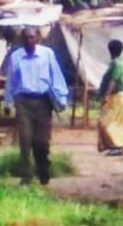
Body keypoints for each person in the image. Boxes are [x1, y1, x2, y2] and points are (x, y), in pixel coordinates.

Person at [4, 27, 69, 185]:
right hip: (23, 102)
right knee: (25, 140)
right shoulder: (16, 57)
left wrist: (61, 99)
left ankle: (43, 170)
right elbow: (11, 81)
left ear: (38, 38)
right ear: (22, 40)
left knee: (41, 142)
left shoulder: (47, 54)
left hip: (43, 102)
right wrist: (8, 102)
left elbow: (56, 76)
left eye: (32, 37)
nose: (29, 41)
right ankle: (26, 176)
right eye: (26, 38)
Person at [97, 39, 123, 157]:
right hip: (116, 97)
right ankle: (113, 145)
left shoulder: (116, 64)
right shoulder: (115, 63)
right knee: (111, 122)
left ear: (110, 50)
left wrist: (106, 95)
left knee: (109, 122)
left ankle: (117, 146)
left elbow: (113, 80)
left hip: (117, 97)